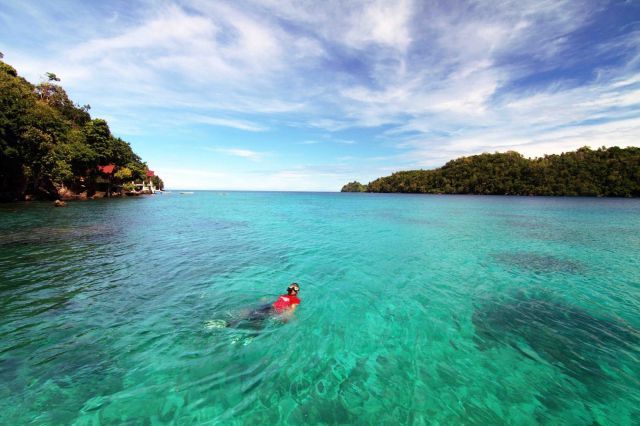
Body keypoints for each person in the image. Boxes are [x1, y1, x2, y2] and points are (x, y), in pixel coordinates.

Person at [223, 283, 301, 329]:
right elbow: (286, 306)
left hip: (271, 308)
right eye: (292, 288)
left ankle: (234, 323)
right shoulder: (289, 297)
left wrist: (286, 317)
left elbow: (287, 306)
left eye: (294, 288)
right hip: (271, 308)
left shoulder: (289, 297)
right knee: (256, 316)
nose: (293, 290)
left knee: (256, 315)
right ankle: (236, 324)